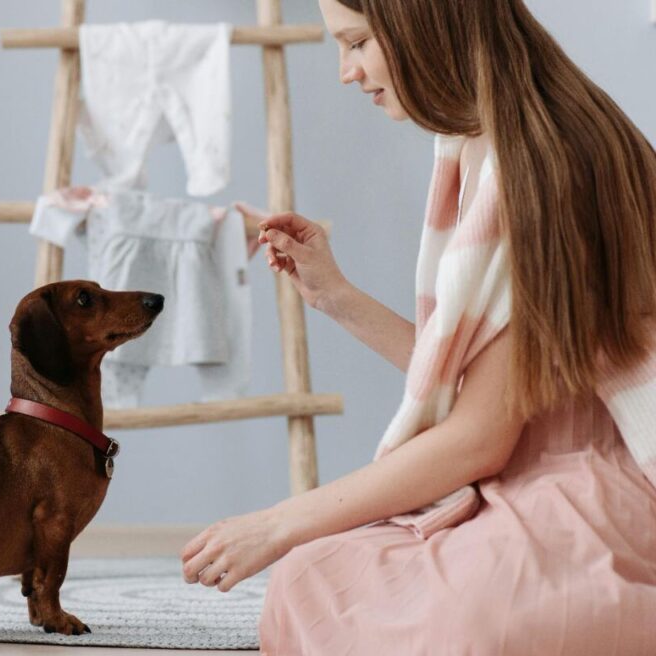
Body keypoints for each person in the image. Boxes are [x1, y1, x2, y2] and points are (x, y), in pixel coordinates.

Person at [180, 1, 656, 653]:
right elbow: (506, 393)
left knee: (423, 614)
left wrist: (277, 523)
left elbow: (479, 438)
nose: (348, 72)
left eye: (357, 42)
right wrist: (336, 296)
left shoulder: (536, 163)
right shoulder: (530, 130)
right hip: (546, 475)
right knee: (313, 581)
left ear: (421, 21)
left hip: (584, 497)